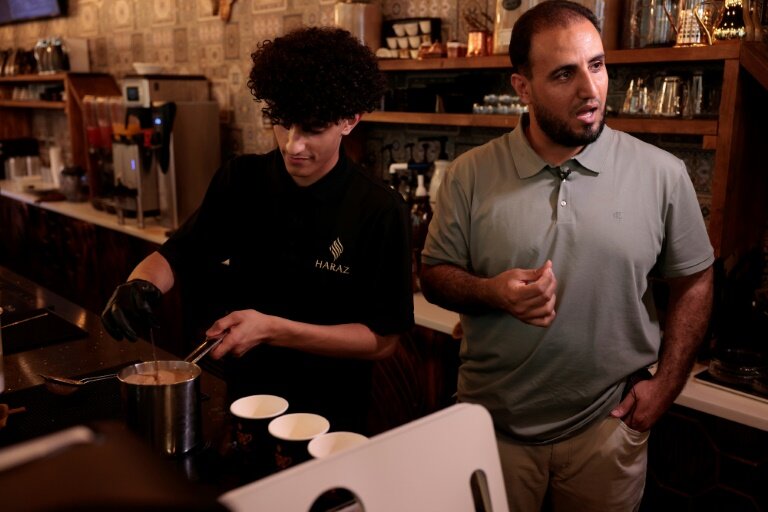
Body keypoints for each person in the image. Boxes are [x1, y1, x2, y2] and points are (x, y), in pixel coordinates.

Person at [420, 2, 714, 510]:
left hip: (609, 428)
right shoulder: (470, 174)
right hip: (492, 427)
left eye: (596, 65)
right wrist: (492, 292)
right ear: (522, 87)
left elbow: (696, 280)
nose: (590, 89)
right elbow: (434, 275)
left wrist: (666, 385)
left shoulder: (663, 173)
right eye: (563, 74)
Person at [101, 26, 414, 434]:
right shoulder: (242, 180)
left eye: (313, 129)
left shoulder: (379, 209)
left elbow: (383, 340)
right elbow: (179, 254)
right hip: (246, 402)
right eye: (282, 123)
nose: (292, 145)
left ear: (350, 120)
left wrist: (272, 329)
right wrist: (139, 284)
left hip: (329, 414)